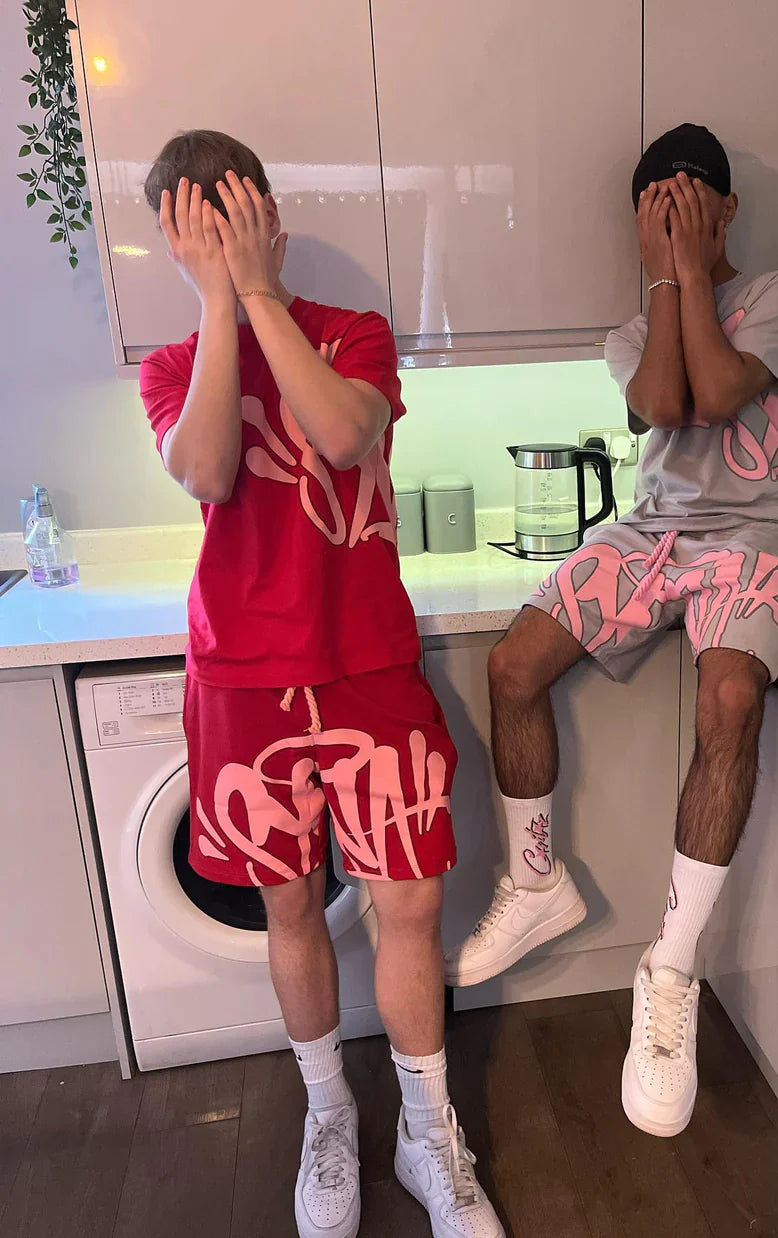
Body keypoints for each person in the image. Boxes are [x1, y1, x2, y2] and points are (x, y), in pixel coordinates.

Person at [139, 130, 504, 1238]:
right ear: (174, 246)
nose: (222, 247)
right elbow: (208, 469)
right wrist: (221, 302)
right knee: (291, 902)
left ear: (271, 223)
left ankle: (427, 1132)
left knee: (411, 902)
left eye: (236, 225)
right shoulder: (170, 368)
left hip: (367, 664)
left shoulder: (354, 335)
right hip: (242, 680)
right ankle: (330, 1115)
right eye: (198, 236)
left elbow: (345, 437)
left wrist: (257, 292)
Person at [445, 123, 778, 1138]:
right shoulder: (631, 332)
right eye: (657, 212)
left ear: (728, 211)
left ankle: (671, 968)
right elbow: (665, 403)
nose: (675, 224)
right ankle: (536, 881)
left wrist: (689, 269)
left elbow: (722, 390)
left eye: (691, 205)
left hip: (754, 534)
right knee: (514, 664)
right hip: (653, 531)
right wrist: (666, 278)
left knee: (731, 697)